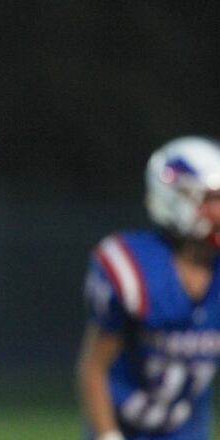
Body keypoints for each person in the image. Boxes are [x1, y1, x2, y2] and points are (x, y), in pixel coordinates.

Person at [77, 136, 220, 440]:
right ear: (176, 199)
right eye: (211, 199)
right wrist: (108, 436)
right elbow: (94, 367)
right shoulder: (134, 267)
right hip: (124, 426)